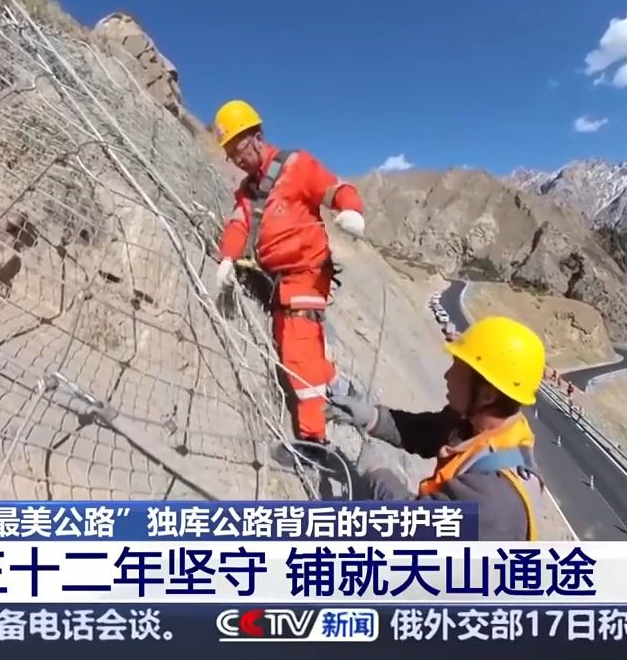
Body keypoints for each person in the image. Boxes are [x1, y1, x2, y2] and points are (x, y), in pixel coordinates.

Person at [211, 99, 365, 444]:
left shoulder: (297, 166)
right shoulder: (248, 192)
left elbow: (337, 189)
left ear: (257, 137)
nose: (237, 160)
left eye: (239, 150)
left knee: (298, 354)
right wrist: (227, 258)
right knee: (296, 347)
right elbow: (238, 225)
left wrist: (351, 211)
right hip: (277, 283)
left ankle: (314, 441)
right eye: (231, 155)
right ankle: (341, 389)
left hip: (306, 274)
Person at [326, 316, 548, 540]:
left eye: (458, 369)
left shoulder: (492, 499)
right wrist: (372, 418)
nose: (447, 376)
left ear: (487, 395)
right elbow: (426, 431)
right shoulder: (483, 425)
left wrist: (376, 473)